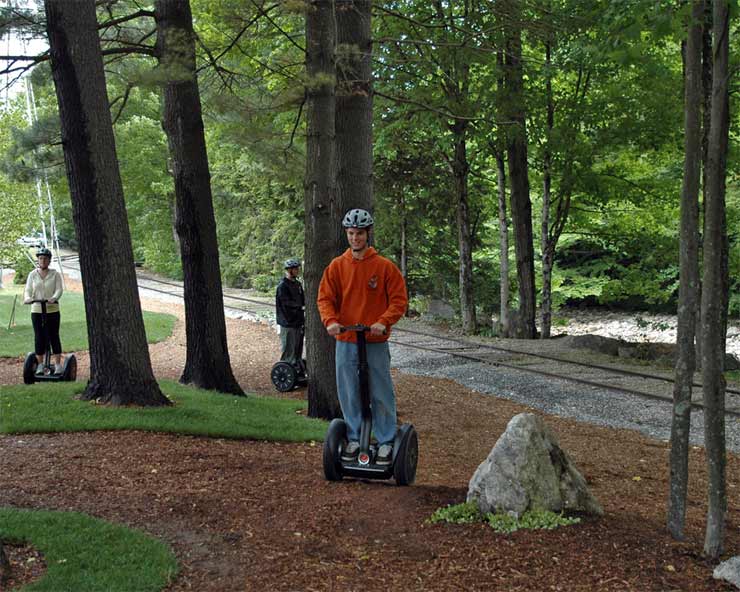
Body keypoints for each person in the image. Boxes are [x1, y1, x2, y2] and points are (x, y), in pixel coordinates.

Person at [317, 208, 408, 466]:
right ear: (347, 234)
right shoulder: (336, 267)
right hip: (346, 341)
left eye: (359, 234)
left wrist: (382, 321)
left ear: (368, 234)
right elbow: (325, 298)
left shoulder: (384, 267)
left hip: (375, 341)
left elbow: (399, 301)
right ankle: (355, 437)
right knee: (349, 392)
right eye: (351, 233)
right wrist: (331, 321)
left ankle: (386, 440)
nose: (355, 238)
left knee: (381, 391)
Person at [23, 247, 65, 373]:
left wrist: (54, 297)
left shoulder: (55, 274)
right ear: (38, 260)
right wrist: (27, 298)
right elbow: (28, 290)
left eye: (45, 258)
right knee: (39, 337)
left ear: (49, 260)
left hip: (52, 310)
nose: (43, 260)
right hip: (36, 310)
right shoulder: (32, 274)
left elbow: (59, 289)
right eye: (40, 258)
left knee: (54, 336)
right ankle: (40, 365)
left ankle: (57, 365)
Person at [275, 258, 305, 376]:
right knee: (288, 351)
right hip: (287, 323)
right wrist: (300, 307)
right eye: (295, 269)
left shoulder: (297, 284)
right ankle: (285, 374)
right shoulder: (282, 286)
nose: (297, 270)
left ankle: (297, 373)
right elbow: (286, 303)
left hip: (298, 322)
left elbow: (303, 299)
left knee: (297, 350)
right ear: (289, 270)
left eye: (297, 268)